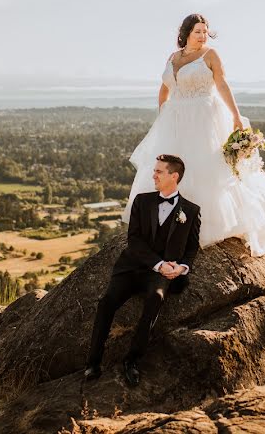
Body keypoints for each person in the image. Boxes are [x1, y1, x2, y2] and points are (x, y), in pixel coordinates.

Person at [122, 13, 265, 257]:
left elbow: (222, 84)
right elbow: (164, 89)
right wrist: (162, 116)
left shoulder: (210, 55)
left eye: (205, 31)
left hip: (204, 117)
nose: (202, 36)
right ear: (186, 33)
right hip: (175, 120)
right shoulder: (172, 57)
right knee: (169, 171)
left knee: (207, 169)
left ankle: (210, 226)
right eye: (198, 31)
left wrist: (235, 116)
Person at [85, 154, 200, 386]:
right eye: (154, 171)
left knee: (155, 298)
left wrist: (181, 268)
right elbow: (134, 240)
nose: (153, 175)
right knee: (107, 302)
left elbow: (191, 247)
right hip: (131, 267)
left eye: (159, 171)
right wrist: (159, 263)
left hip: (160, 275)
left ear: (174, 176)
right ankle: (93, 362)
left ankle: (132, 360)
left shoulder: (191, 210)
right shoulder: (142, 201)